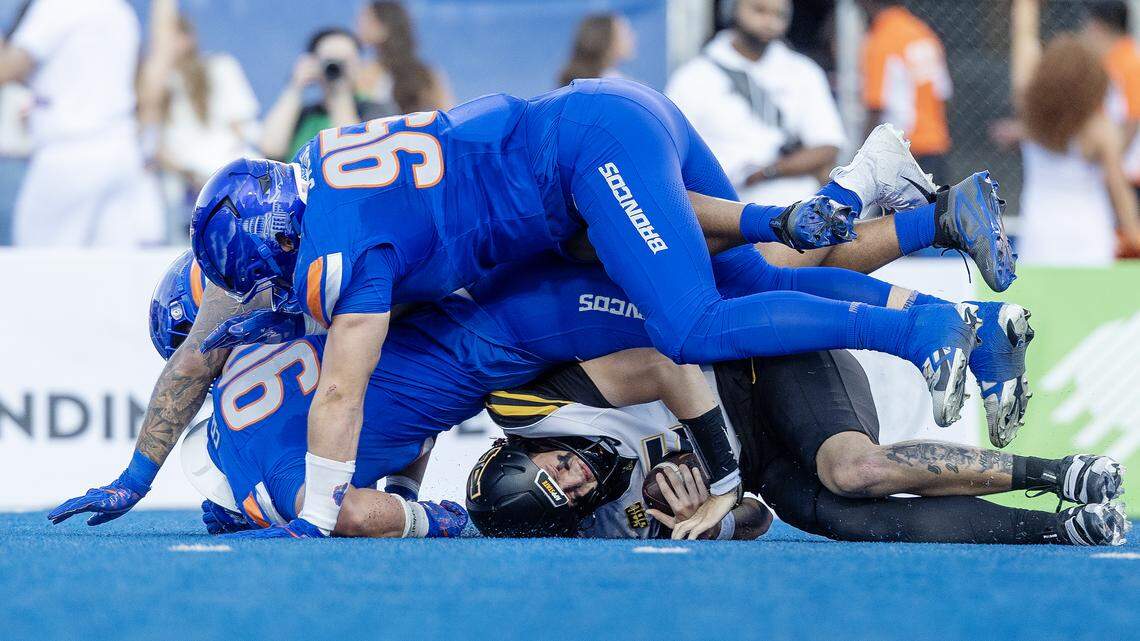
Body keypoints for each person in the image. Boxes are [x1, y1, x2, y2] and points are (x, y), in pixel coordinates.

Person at [188, 79, 1018, 540]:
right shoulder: (329, 165)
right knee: (755, 272)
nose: (573, 478)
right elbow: (378, 376)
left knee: (694, 323)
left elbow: (342, 391)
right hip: (576, 158)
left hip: (574, 170)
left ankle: (925, 322)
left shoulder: (345, 267)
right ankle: (905, 213)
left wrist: (329, 512)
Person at [467, 350, 1127, 546]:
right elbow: (758, 517)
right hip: (764, 464)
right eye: (572, 497)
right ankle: (1061, 530)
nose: (579, 477)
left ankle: (1060, 472)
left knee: (851, 469)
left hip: (767, 372)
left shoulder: (552, 403)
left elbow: (670, 367)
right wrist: (713, 520)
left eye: (558, 468)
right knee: (844, 519)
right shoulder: (609, 525)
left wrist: (718, 475)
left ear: (531, 449)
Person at [0, 0, 163, 246]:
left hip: (69, 154)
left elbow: (7, 69)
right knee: (111, 261)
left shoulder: (57, 6)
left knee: (40, 260)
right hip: (121, 152)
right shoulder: (120, 11)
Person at [667, 0, 845, 205]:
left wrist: (768, 171)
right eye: (759, 10)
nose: (770, 22)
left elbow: (828, 145)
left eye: (779, 14)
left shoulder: (804, 71)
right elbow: (673, 149)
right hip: (723, 207)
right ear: (732, 9)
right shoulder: (694, 76)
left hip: (798, 208)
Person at [1012, 0, 1140, 266]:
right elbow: (1119, 192)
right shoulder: (1099, 129)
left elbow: (1024, 41)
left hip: (1039, 235)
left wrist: (1026, 6)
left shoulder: (1032, 115)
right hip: (1090, 237)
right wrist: (1134, 234)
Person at [137, 0, 259, 237]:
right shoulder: (153, 85)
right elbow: (153, 145)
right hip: (183, 195)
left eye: (176, 35)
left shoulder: (220, 67)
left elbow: (242, 128)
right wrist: (190, 175)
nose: (168, 44)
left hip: (231, 182)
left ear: (189, 37)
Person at [857, 0, 952, 183]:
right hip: (935, 147)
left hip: (901, 151)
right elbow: (943, 93)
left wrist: (862, 157)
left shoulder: (882, 39)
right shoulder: (922, 33)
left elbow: (876, 104)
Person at [259, 28, 387, 162]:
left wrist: (340, 94)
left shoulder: (374, 109)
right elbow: (270, 149)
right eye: (330, 60)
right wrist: (295, 86)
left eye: (345, 61)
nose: (337, 67)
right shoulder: (304, 115)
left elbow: (354, 153)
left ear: (359, 65)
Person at [1080, 0, 1140, 257]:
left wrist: (1110, 162)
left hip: (1129, 176)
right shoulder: (1112, 61)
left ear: (1098, 26)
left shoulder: (1129, 62)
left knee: (1127, 251)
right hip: (1119, 173)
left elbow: (1132, 120)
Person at [355, 1, 453, 115]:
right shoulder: (426, 73)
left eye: (368, 21)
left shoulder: (425, 74)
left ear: (385, 27)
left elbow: (446, 114)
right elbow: (449, 117)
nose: (359, 27)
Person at [556, 13, 637, 86]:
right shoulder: (615, 85)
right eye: (626, 33)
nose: (632, 37)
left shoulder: (569, 81)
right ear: (609, 41)